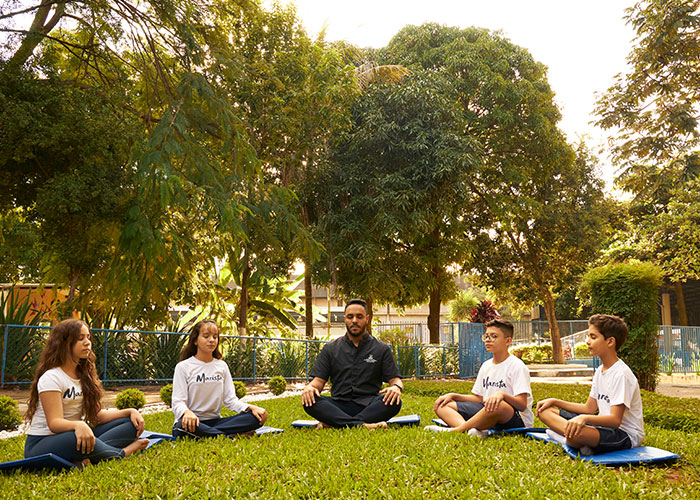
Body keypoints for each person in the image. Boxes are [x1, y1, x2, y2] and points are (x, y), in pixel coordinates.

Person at [24, 319, 149, 465]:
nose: (87, 342)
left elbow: (97, 416)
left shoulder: (85, 375)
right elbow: (54, 423)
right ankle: (122, 453)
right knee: (75, 438)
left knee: (129, 424)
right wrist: (79, 425)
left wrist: (129, 411)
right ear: (64, 343)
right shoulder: (52, 377)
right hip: (43, 443)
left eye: (88, 337)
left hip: (76, 433)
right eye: (80, 338)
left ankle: (86, 457)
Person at [536, 314, 644, 455]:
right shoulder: (600, 371)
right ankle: (573, 439)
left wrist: (584, 419)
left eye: (593, 337)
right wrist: (555, 401)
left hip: (624, 435)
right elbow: (588, 408)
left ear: (610, 341)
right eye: (588, 336)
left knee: (576, 433)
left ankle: (564, 437)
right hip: (601, 427)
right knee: (544, 411)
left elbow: (615, 420)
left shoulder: (621, 374)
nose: (587, 341)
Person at [301, 299, 403, 429]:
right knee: (310, 402)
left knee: (394, 402)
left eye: (359, 317)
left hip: (370, 405)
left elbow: (396, 380)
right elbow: (317, 383)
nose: (354, 320)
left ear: (367, 318)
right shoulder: (330, 349)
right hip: (338, 405)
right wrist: (309, 388)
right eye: (350, 316)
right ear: (344, 319)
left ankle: (337, 424)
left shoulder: (381, 349)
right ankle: (362, 425)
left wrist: (396, 388)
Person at [429, 319, 533, 436]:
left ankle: (456, 430)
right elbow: (480, 399)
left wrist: (502, 395)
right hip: (487, 410)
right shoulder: (486, 365)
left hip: (514, 418)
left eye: (494, 336)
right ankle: (474, 430)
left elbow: (522, 405)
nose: (488, 340)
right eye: (486, 336)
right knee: (443, 406)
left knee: (499, 405)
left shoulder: (517, 366)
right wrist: (453, 395)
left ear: (507, 341)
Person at [172, 319, 268, 439]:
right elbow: (177, 402)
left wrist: (250, 408)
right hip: (192, 422)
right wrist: (186, 413)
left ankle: (214, 434)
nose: (211, 340)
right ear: (195, 340)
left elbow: (230, 400)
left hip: (217, 422)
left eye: (215, 336)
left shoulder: (221, 366)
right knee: (180, 427)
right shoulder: (183, 367)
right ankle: (230, 436)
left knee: (254, 418)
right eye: (206, 336)